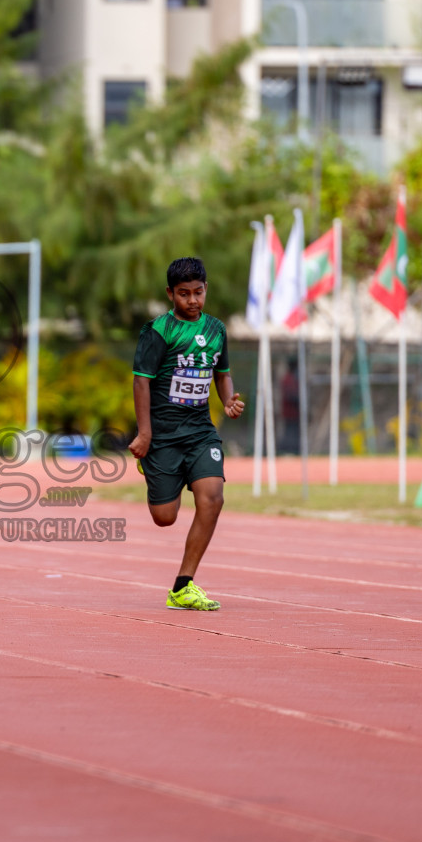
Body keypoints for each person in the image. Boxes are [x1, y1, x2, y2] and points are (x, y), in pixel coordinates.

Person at [129, 257, 245, 611]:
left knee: (212, 497)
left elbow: (221, 373)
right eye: (184, 294)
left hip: (199, 432)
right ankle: (161, 471)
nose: (192, 300)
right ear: (170, 294)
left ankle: (183, 585)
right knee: (165, 517)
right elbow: (141, 382)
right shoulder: (159, 331)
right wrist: (145, 434)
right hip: (163, 435)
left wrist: (227, 400)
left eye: (198, 292)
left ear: (206, 289)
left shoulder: (216, 330)